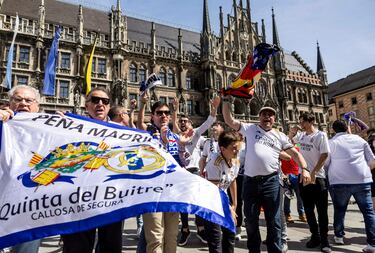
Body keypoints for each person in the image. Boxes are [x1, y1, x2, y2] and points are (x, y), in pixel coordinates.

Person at [222, 96, 310, 253]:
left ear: (274, 119)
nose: (267, 117)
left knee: (274, 221)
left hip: (271, 182)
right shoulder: (250, 128)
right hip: (250, 182)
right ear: (259, 116)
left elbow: (295, 155)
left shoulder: (280, 135)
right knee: (250, 221)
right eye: (264, 114)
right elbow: (229, 120)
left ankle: (274, 250)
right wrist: (227, 100)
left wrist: (305, 168)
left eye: (270, 115)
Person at [61, 87, 123, 253]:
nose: (100, 104)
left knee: (110, 248)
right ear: (86, 105)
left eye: (105, 101)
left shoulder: (121, 132)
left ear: (109, 106)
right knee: (76, 248)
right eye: (95, 100)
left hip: (111, 199)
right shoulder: (72, 127)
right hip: (78, 199)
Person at [137, 92, 190, 253]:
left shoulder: (175, 136)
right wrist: (142, 104)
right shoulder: (148, 134)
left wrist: (182, 147)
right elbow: (139, 124)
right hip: (153, 191)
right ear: (152, 116)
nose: (163, 116)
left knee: (171, 235)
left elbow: (184, 162)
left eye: (166, 113)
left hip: (173, 191)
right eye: (159, 113)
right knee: (155, 238)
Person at [171, 96, 221, 246]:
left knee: (199, 201)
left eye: (186, 121)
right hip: (181, 172)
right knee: (183, 203)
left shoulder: (197, 133)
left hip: (195, 172)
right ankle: (185, 230)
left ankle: (200, 228)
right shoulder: (177, 136)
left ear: (191, 124)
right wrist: (175, 109)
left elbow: (210, 121)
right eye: (181, 121)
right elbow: (174, 123)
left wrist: (214, 107)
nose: (183, 123)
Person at [0, 85, 42, 253]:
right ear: (9, 104)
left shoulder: (49, 130)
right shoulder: (2, 124)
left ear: (37, 106)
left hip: (31, 210)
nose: (23, 103)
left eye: (29, 100)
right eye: (18, 99)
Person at [326, 120, 375, 253]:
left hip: (340, 181)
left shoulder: (331, 143)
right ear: (347, 128)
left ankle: (339, 236)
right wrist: (364, 171)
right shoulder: (360, 140)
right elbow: (372, 161)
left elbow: (326, 163)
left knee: (340, 210)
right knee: (368, 212)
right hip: (362, 180)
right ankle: (372, 244)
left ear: (334, 130)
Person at [292, 113, 331, 253]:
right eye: (300, 122)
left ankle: (325, 240)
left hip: (318, 177)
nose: (301, 124)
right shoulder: (301, 136)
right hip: (303, 177)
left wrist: (314, 171)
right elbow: (290, 143)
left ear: (311, 121)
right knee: (308, 210)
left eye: (303, 122)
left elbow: (325, 154)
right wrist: (292, 133)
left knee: (322, 211)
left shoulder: (321, 135)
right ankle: (315, 236)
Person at [203, 130, 241, 253]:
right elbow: (215, 190)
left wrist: (234, 205)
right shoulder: (215, 162)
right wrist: (229, 208)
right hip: (211, 202)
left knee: (230, 234)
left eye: (238, 147)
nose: (237, 151)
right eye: (233, 148)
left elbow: (233, 181)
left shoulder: (235, 160)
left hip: (225, 200)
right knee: (216, 240)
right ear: (223, 149)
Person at [283, 126, 306, 223]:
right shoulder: (283, 145)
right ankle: (287, 213)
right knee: (288, 196)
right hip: (286, 174)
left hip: (297, 173)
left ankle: (301, 213)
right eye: (292, 135)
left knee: (300, 196)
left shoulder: (298, 146)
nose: (293, 137)